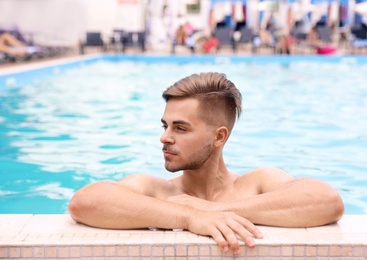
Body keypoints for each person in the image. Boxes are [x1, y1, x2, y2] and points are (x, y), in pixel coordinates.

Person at [68, 72, 344, 255]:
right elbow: (85, 202)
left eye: (181, 128)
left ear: (218, 136)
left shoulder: (257, 182)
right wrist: (189, 217)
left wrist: (213, 209)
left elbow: (327, 201)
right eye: (165, 125)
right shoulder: (157, 191)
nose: (164, 137)